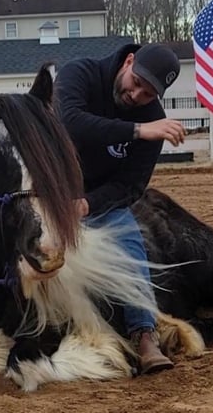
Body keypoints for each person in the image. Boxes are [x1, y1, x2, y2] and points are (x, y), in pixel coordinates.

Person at [54, 43, 186, 375]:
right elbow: (69, 122)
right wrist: (138, 131)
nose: (137, 95)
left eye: (148, 93)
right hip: (48, 186)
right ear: (129, 61)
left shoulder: (153, 118)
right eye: (137, 81)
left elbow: (130, 186)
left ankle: (144, 334)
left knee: (129, 239)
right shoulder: (79, 73)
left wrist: (88, 204)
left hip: (97, 201)